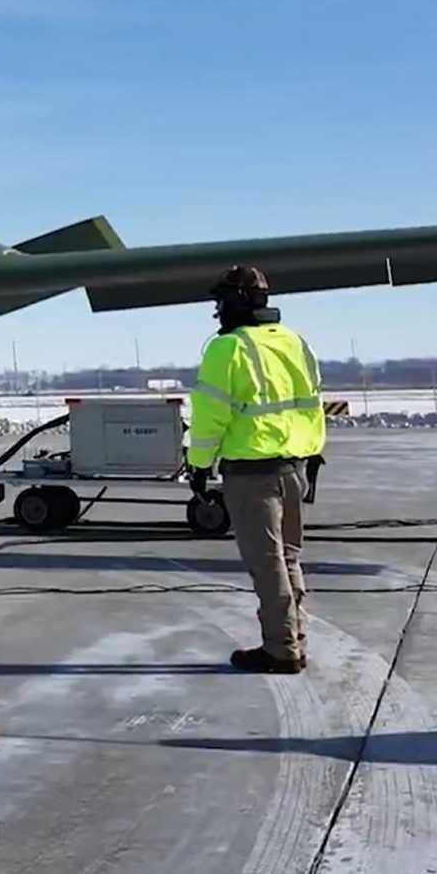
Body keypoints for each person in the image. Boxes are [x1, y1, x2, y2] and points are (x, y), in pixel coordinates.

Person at [186, 265, 326, 674]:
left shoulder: (227, 348)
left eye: (220, 302)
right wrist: (312, 451)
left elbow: (210, 414)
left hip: (252, 473)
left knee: (267, 564)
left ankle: (281, 650)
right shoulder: (293, 341)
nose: (217, 311)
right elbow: (312, 402)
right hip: (293, 467)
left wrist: (198, 465)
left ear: (236, 301)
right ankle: (294, 639)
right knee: (288, 558)